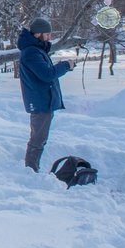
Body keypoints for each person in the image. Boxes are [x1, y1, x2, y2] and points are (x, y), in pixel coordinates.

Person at [17, 18, 75, 172]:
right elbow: (47, 74)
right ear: (37, 34)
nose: (49, 38)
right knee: (38, 138)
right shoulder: (31, 52)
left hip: (43, 100)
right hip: (40, 101)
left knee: (40, 137)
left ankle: (32, 167)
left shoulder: (37, 50)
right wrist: (65, 65)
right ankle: (31, 169)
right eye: (47, 34)